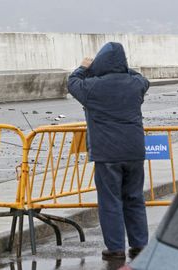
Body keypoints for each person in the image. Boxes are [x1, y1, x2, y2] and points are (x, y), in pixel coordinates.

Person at [67, 42, 150, 261]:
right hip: (134, 150)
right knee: (134, 198)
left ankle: (115, 248)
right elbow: (143, 79)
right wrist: (122, 69)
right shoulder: (135, 84)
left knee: (110, 200)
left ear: (101, 62)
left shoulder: (92, 87)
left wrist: (85, 67)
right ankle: (140, 244)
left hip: (107, 153)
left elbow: (72, 82)